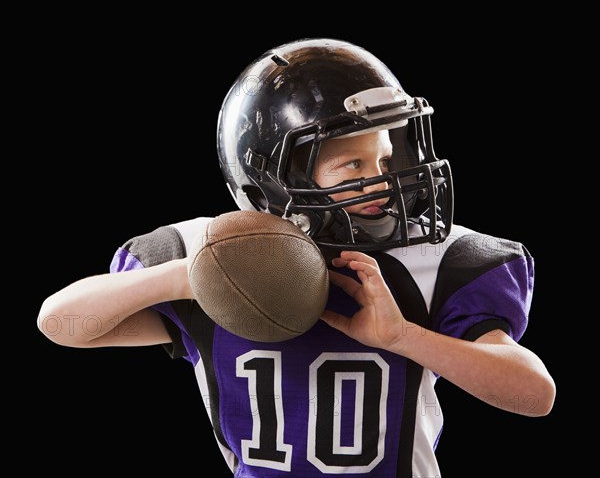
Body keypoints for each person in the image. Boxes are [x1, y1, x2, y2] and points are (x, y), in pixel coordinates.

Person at [37, 38, 555, 477]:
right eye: (351, 163)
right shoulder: (209, 258)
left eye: (382, 157)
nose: (379, 179)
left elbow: (533, 395)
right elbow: (60, 324)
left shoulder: (439, 258)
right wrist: (182, 276)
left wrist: (404, 337)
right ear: (273, 179)